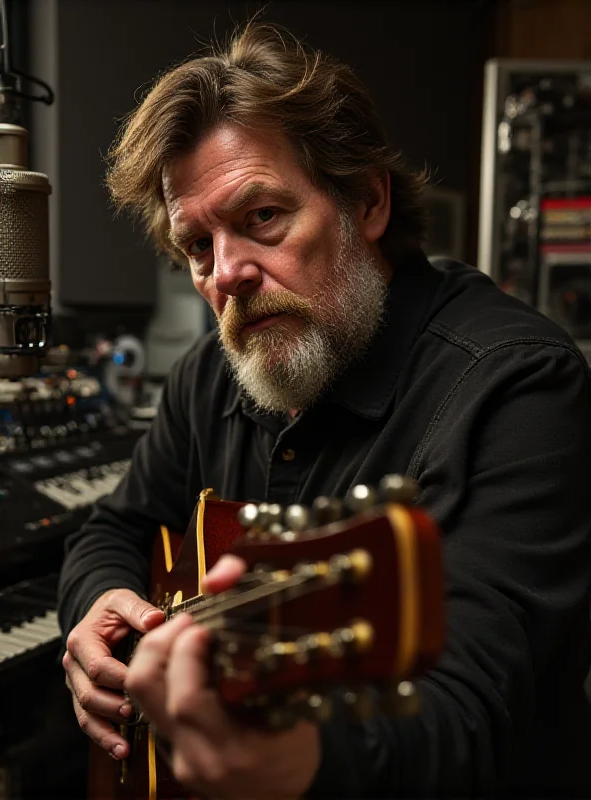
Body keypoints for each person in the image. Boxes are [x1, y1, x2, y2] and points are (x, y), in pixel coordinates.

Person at [58, 20, 591, 799]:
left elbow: (471, 710)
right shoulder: (210, 372)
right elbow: (116, 527)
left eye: (262, 218)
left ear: (367, 202)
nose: (226, 275)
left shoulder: (519, 388)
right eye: (198, 246)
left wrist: (304, 759)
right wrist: (98, 606)